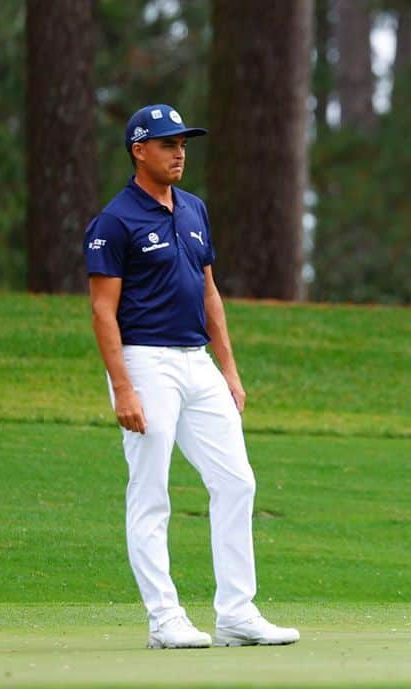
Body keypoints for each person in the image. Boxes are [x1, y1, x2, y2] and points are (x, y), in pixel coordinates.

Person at [84, 104, 299, 649]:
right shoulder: (115, 221)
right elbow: (102, 312)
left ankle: (236, 613)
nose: (179, 152)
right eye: (166, 143)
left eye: (183, 143)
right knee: (151, 490)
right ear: (139, 150)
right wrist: (123, 387)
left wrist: (229, 369)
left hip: (196, 361)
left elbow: (209, 294)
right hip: (143, 360)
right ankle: (164, 618)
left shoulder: (194, 208)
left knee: (236, 480)